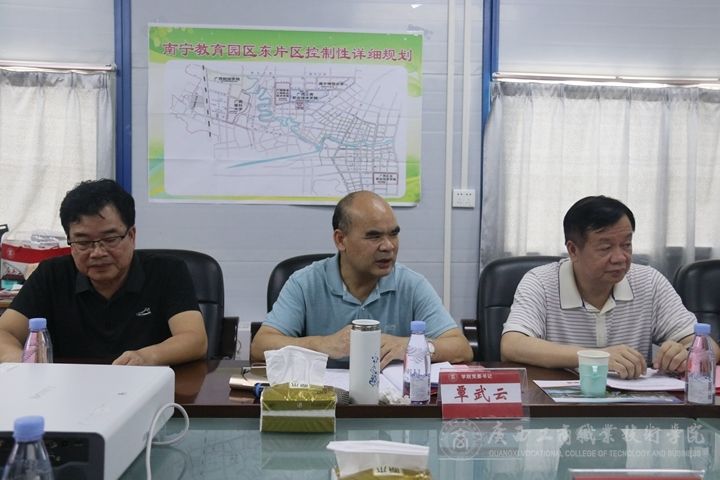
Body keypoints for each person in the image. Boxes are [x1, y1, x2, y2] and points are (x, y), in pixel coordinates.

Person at [500, 195, 720, 379]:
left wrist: (684, 354)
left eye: (626, 245)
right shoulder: (541, 282)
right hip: (559, 405)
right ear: (573, 250)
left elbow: (709, 347)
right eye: (605, 248)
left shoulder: (649, 282)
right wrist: (597, 357)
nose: (620, 258)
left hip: (634, 408)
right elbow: (512, 345)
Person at [251, 190, 473, 369]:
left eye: (394, 234)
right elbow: (260, 346)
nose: (388, 246)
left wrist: (411, 346)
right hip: (322, 401)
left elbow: (461, 348)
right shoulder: (305, 282)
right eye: (374, 236)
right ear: (341, 240)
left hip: (390, 403)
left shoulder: (411, 284)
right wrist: (323, 344)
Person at [0, 179, 208, 365]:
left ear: (132, 235)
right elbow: (4, 332)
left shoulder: (168, 271)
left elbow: (194, 339)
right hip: (69, 390)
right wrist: (23, 362)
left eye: (110, 239)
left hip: (149, 387)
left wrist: (146, 357)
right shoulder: (51, 275)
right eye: (83, 242)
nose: (98, 252)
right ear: (70, 242)